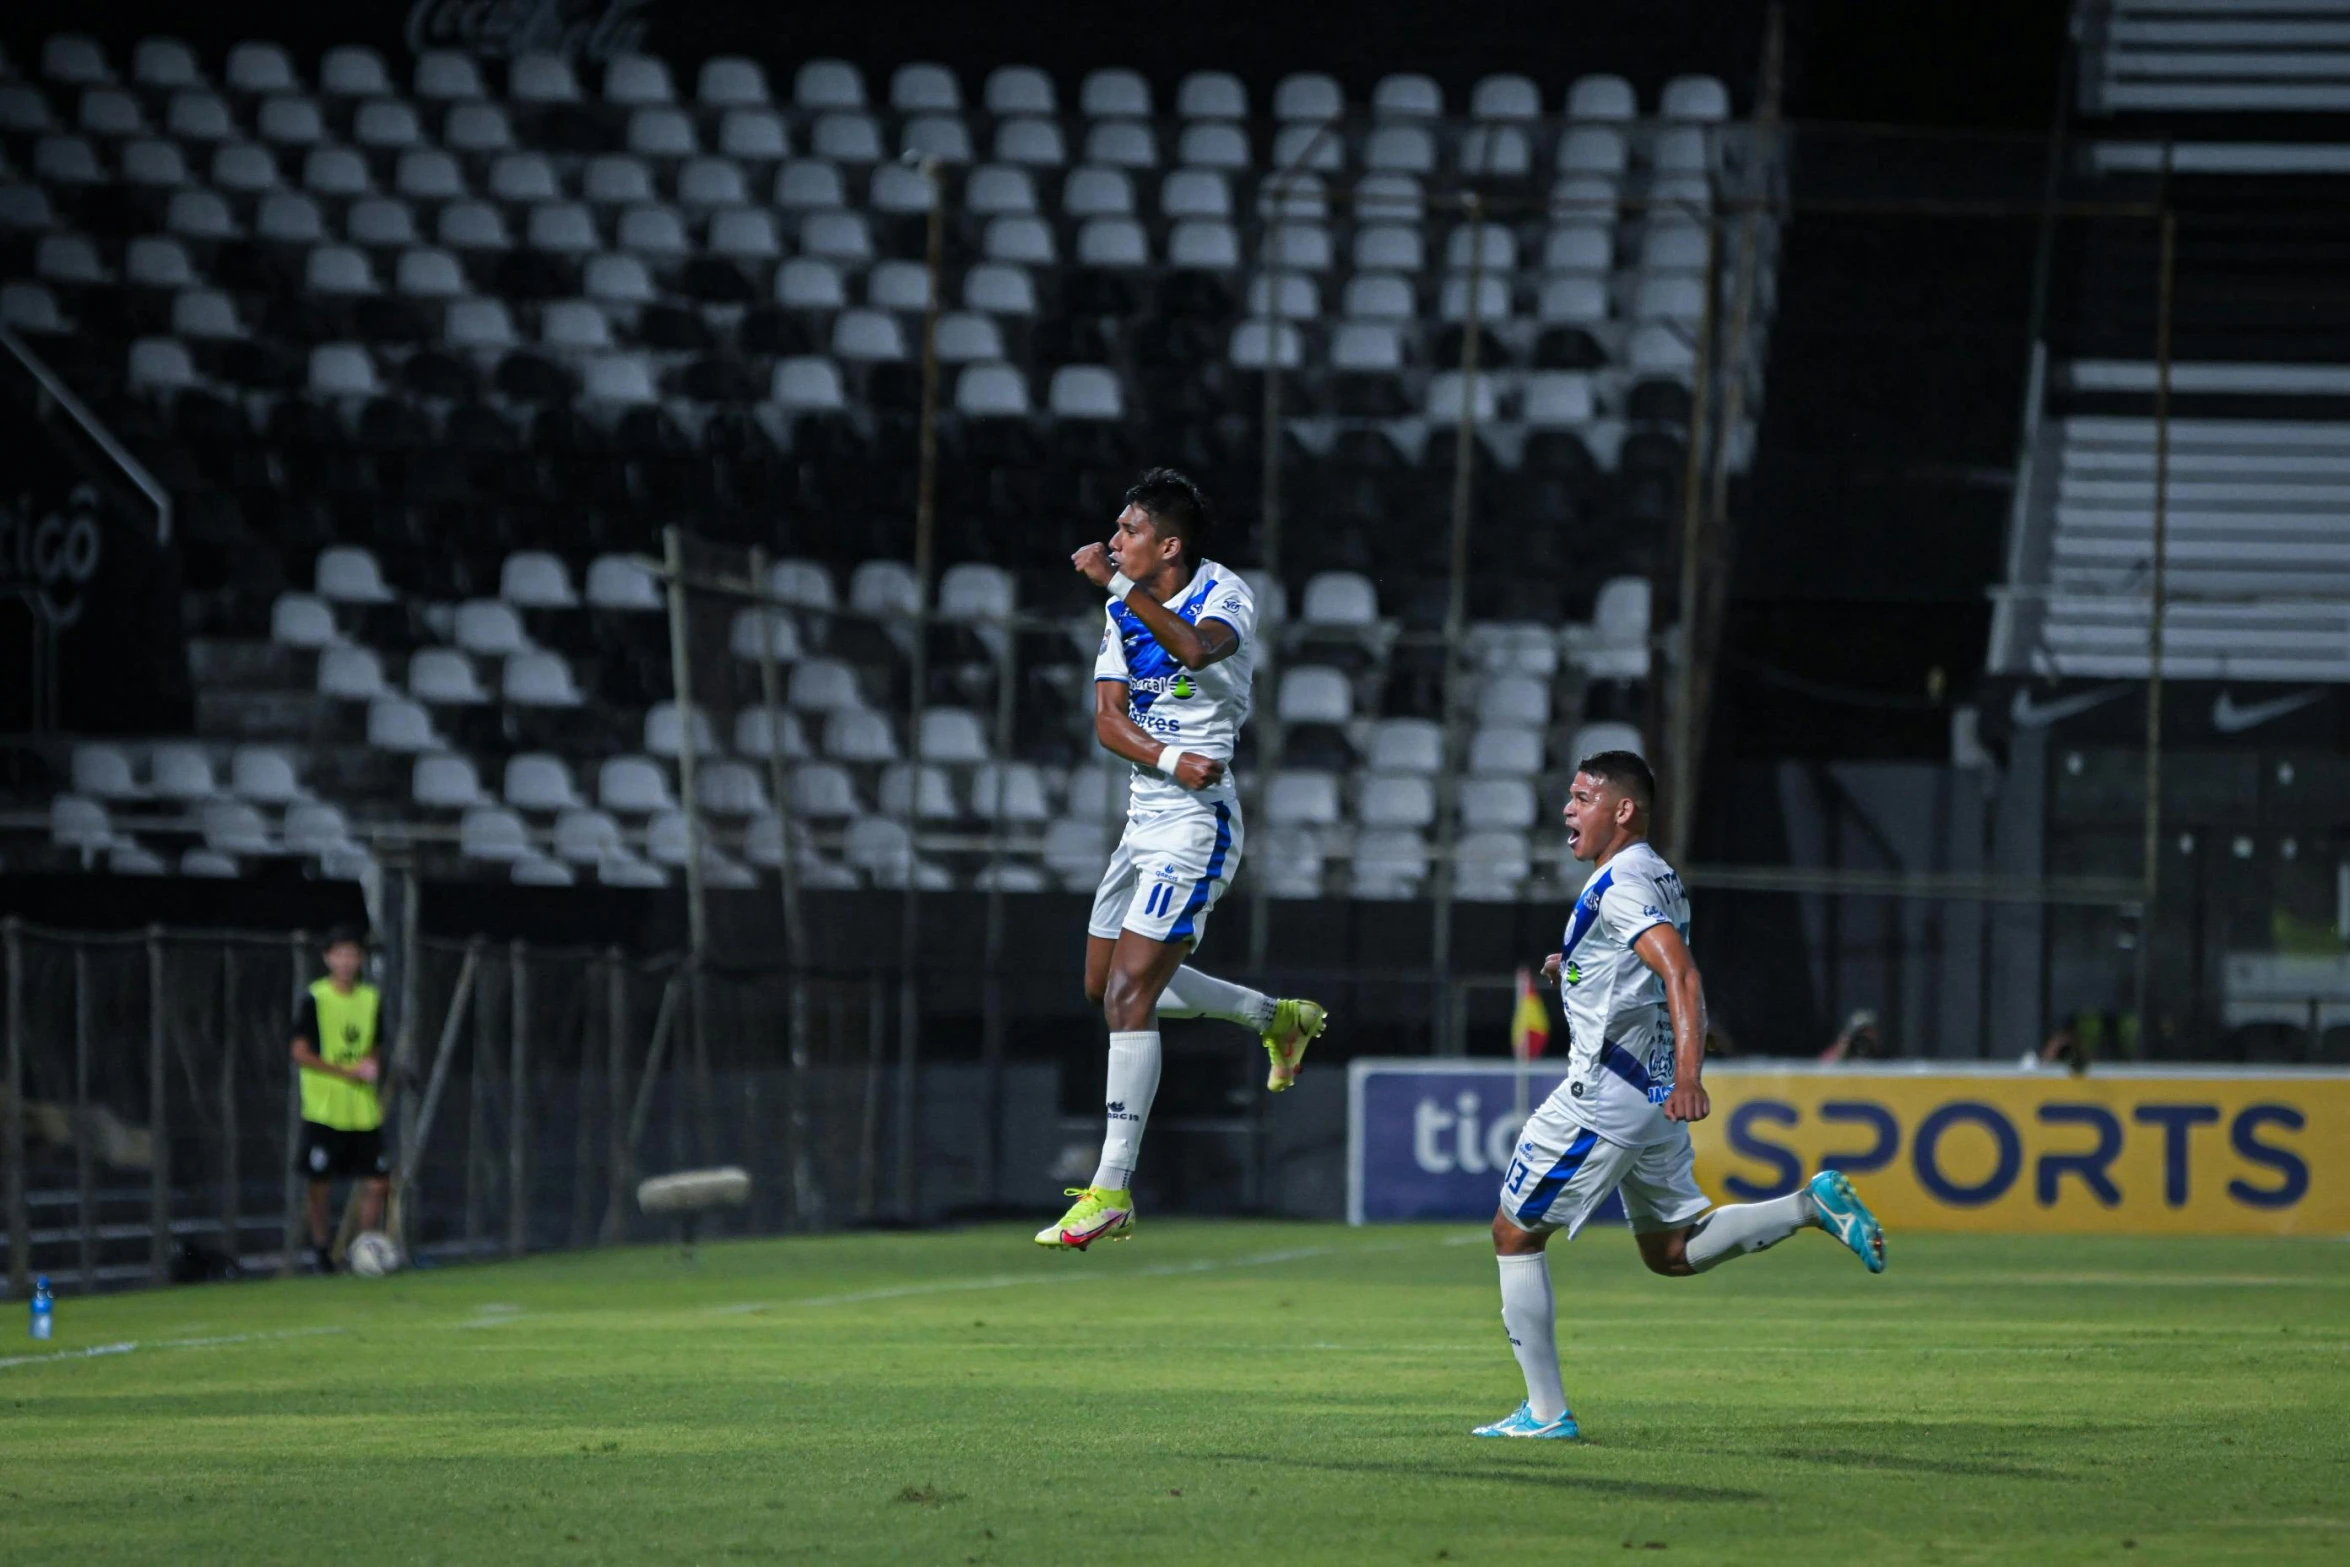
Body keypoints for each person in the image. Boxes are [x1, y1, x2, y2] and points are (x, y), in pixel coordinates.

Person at [1476, 752, 1887, 1440]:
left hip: (1606, 1089)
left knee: (1514, 1232)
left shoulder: (1623, 883)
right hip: (1648, 1086)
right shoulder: (1658, 874)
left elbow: (1682, 975)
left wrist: (1693, 1074)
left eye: (1583, 797)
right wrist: (1569, 968)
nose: (1569, 810)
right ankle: (1809, 1205)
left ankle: (1545, 1413)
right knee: (1670, 1250)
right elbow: (1633, 972)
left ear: (1623, 809)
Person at [1036, 470, 1327, 1251]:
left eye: (1128, 530)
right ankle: (1275, 1018)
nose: (1112, 541)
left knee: (1131, 994)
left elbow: (1196, 651)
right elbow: (1108, 719)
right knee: (1105, 987)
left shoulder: (1222, 591)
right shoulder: (1119, 608)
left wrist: (1119, 591)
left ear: (1168, 545)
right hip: (1148, 813)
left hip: (1200, 823)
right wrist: (1166, 757)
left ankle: (1110, 1190)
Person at [291, 925, 389, 1273]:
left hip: (362, 1109)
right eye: (341, 954)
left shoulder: (370, 999)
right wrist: (343, 1072)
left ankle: (365, 1249)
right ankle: (320, 1250)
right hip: (325, 1108)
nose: (347, 961)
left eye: (353, 954)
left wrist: (372, 1064)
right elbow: (300, 1051)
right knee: (320, 1183)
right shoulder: (315, 998)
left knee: (378, 1181)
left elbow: (375, 1044)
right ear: (328, 958)